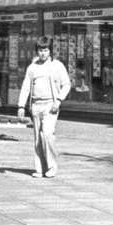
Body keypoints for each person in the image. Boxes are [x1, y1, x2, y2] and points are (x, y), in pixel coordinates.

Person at [17, 37, 72, 178]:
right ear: (37, 51)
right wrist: (21, 106)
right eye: (40, 50)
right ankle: (40, 168)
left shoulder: (57, 66)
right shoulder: (32, 68)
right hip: (36, 105)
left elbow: (66, 84)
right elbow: (25, 88)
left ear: (50, 51)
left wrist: (59, 100)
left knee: (47, 134)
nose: (43, 53)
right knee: (37, 138)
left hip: (51, 105)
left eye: (46, 50)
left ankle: (52, 166)